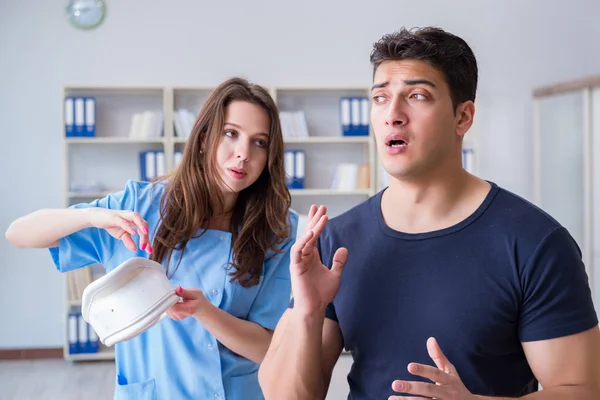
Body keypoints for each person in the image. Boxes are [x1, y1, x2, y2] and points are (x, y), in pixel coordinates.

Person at [258, 27, 600, 399]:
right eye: (380, 97)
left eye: (417, 95)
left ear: (463, 117)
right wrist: (308, 310)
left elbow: (583, 389)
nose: (393, 114)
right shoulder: (335, 243)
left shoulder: (534, 243)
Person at [6, 77, 298, 400]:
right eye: (231, 133)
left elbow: (267, 347)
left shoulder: (277, 229)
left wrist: (204, 311)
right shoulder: (139, 208)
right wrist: (92, 217)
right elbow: (19, 232)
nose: (243, 153)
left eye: (259, 142)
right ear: (203, 139)